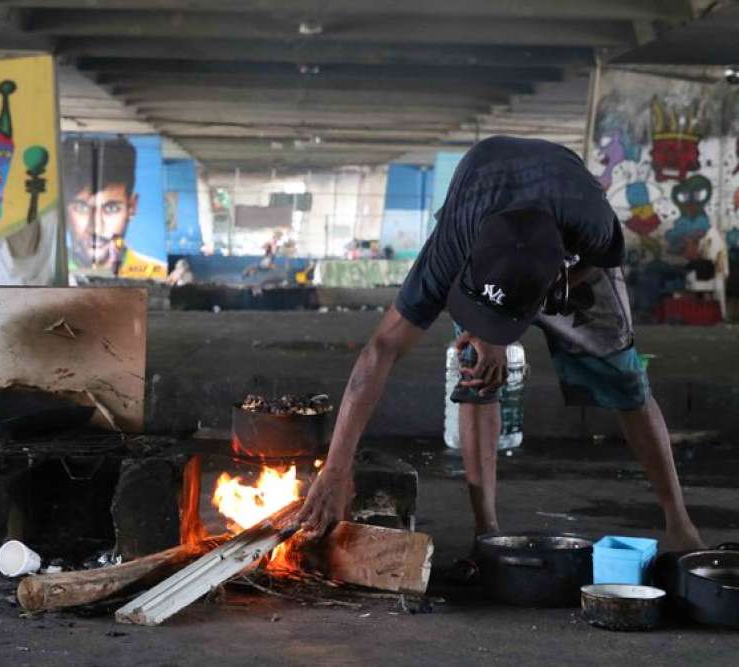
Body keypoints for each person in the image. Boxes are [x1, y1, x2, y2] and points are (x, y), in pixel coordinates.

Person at [297, 136, 705, 556]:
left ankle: (680, 523)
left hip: (569, 248)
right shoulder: (452, 249)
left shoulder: (592, 222)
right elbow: (381, 348)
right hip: (486, 201)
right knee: (475, 367)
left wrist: (510, 323)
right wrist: (335, 468)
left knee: (624, 377)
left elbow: (600, 260)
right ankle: (486, 533)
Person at [64, 137, 138, 275]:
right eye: (82, 208)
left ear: (132, 206)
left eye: (111, 208)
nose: (96, 228)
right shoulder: (48, 272)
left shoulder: (152, 268)